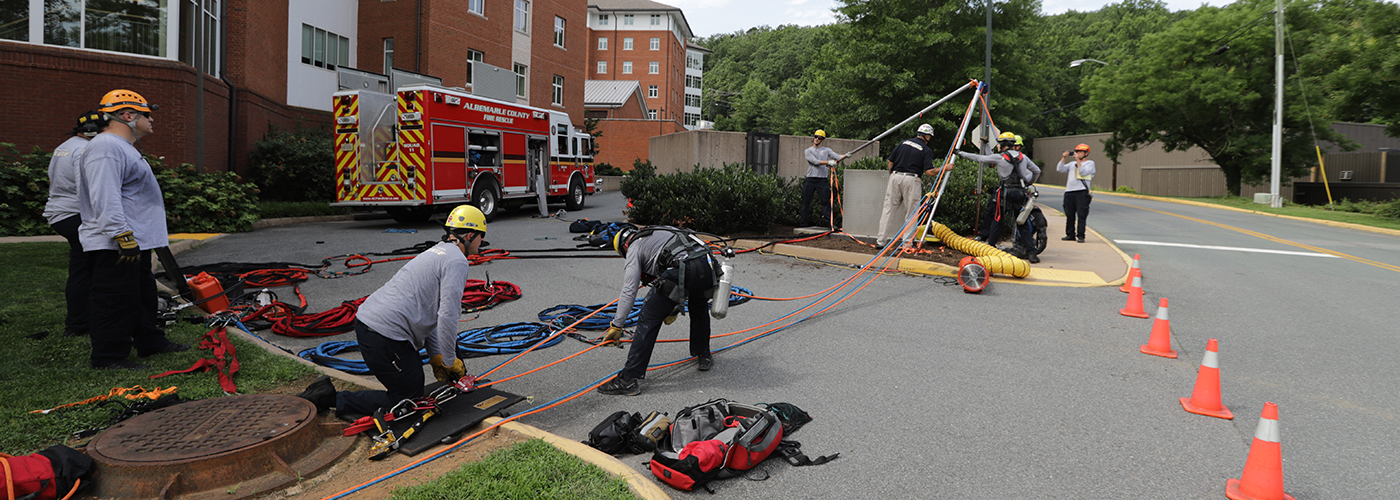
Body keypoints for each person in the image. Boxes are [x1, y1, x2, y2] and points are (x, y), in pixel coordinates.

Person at [297, 205, 486, 418]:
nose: (481, 243)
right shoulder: (457, 261)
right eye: (481, 237)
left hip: (374, 328)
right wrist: (450, 361)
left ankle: (329, 394)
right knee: (408, 400)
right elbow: (448, 316)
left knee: (413, 383)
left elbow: (432, 315)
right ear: (470, 235)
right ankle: (329, 398)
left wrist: (436, 355)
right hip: (384, 336)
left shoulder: (437, 252)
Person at [77, 90, 188, 370]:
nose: (152, 120)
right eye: (147, 114)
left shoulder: (122, 147)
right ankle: (109, 356)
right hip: (115, 244)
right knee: (114, 300)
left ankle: (150, 342)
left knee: (142, 295)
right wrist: (122, 235)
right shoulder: (106, 147)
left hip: (133, 241)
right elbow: (105, 195)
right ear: (128, 115)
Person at [597, 225, 720, 396]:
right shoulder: (660, 231)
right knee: (699, 308)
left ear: (624, 246)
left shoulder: (634, 247)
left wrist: (617, 325)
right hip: (708, 264)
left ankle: (627, 380)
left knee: (648, 319)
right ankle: (703, 355)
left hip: (683, 268)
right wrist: (673, 306)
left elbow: (629, 290)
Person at [44, 111, 106, 338]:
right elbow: (86, 190)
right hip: (73, 214)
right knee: (84, 269)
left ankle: (80, 320)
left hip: (59, 212)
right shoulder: (83, 150)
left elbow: (51, 179)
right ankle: (79, 324)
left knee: (81, 266)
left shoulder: (65, 145)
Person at [957, 131, 1042, 263]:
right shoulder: (1023, 157)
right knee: (1022, 222)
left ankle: (991, 250)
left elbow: (980, 158)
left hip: (1005, 193)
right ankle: (1032, 253)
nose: (998, 146)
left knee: (997, 221)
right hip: (1020, 193)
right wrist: (1029, 182)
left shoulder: (1000, 158)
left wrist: (960, 153)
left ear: (1003, 144)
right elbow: (1037, 171)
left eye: (999, 144)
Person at [875, 124, 953, 249]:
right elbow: (929, 172)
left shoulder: (903, 143)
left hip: (895, 177)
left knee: (888, 210)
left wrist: (893, 176)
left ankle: (880, 241)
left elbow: (890, 162)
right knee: (911, 213)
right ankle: (907, 244)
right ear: (927, 136)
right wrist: (945, 168)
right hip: (912, 179)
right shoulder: (926, 150)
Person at [800, 130, 846, 228]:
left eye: (819, 138)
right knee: (806, 202)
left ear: (823, 140)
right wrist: (828, 162)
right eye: (816, 137)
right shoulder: (808, 151)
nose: (817, 139)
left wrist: (847, 156)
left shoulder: (827, 150)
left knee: (826, 202)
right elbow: (815, 161)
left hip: (822, 180)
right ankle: (803, 224)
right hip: (810, 180)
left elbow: (837, 157)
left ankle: (830, 224)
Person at [1057, 143, 1096, 243]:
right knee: (1069, 215)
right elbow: (1060, 169)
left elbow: (1082, 172)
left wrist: (1078, 160)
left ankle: (1081, 235)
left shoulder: (1090, 163)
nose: (1078, 154)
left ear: (1086, 154)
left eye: (1080, 152)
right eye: (1077, 152)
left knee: (1081, 215)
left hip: (1081, 192)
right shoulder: (1071, 164)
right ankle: (1070, 234)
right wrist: (1063, 158)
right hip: (1069, 191)